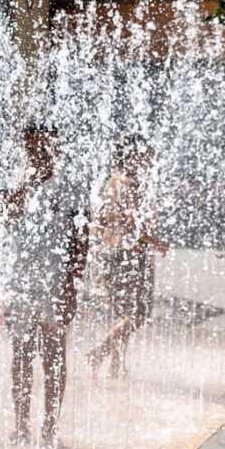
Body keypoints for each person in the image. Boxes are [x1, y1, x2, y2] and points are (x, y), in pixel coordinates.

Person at [0, 123, 89, 446]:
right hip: (18, 282)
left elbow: (81, 239)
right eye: (30, 148)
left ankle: (49, 428)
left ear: (57, 149)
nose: (36, 154)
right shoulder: (14, 180)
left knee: (53, 356)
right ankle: (20, 427)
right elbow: (4, 219)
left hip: (54, 284)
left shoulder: (71, 185)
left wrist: (72, 287)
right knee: (20, 354)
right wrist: (23, 186)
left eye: (43, 147)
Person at [86, 142, 165, 377]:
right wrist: (156, 242)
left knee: (121, 313)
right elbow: (133, 223)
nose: (149, 164)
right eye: (146, 158)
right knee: (138, 314)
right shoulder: (134, 184)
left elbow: (98, 221)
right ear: (133, 156)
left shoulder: (111, 182)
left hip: (108, 253)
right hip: (131, 254)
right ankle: (99, 352)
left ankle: (116, 366)